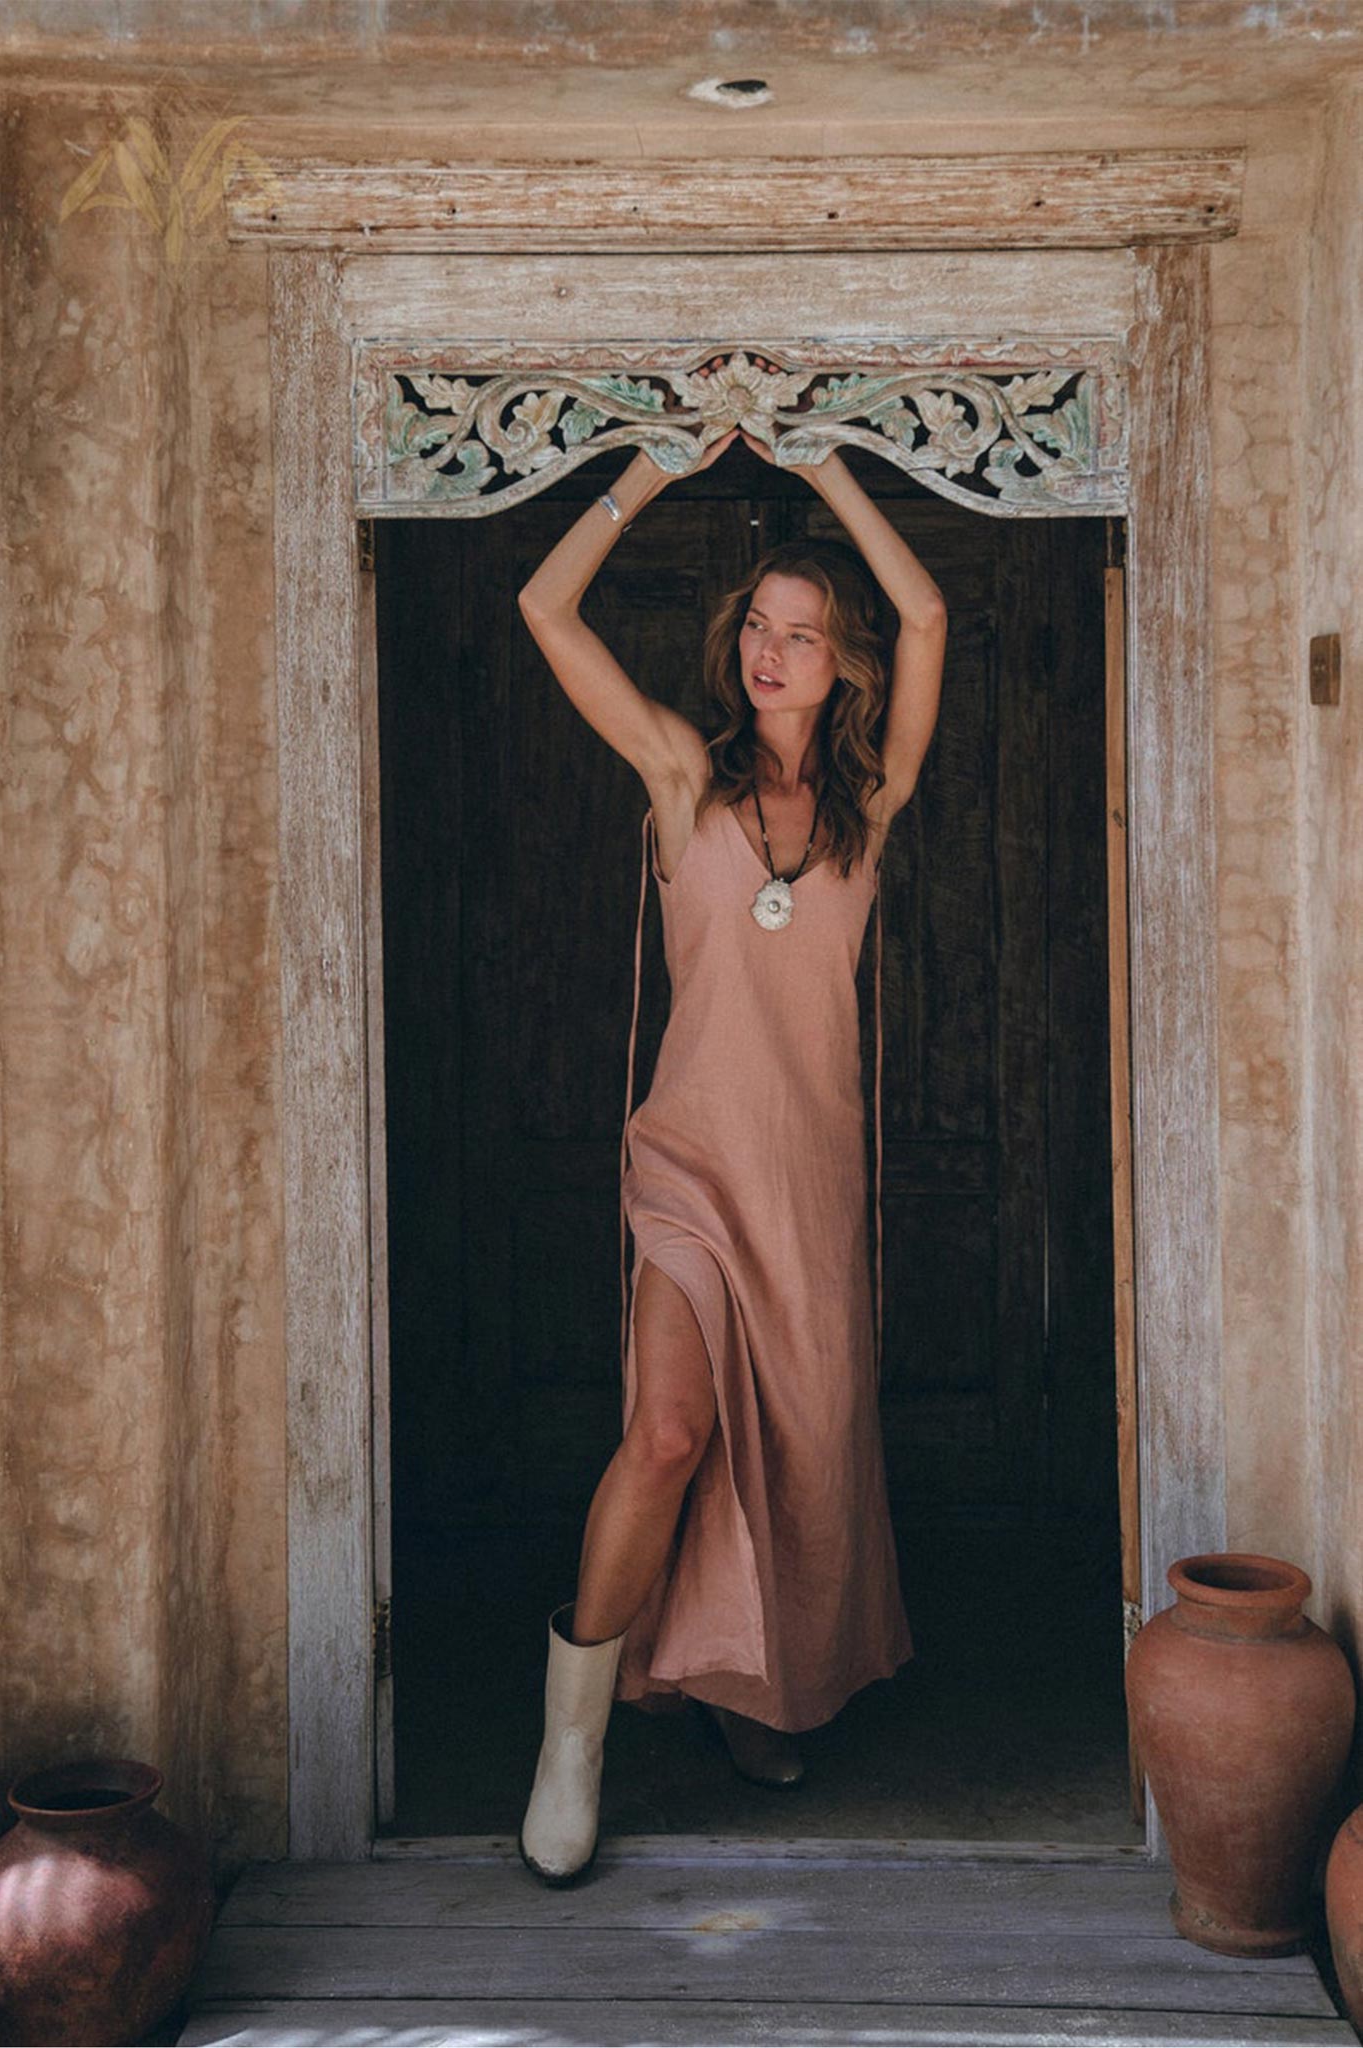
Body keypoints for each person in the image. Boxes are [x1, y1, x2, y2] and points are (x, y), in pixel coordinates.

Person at [515, 423, 948, 1884]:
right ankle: (571, 1738)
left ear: (842, 665)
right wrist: (653, 468)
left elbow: (933, 612)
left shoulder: (866, 811)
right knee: (671, 1435)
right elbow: (542, 610)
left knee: (803, 1467)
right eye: (758, 627)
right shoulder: (678, 782)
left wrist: (830, 467)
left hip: (807, 1186)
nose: (771, 652)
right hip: (690, 1172)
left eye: (803, 632)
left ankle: (744, 1695)